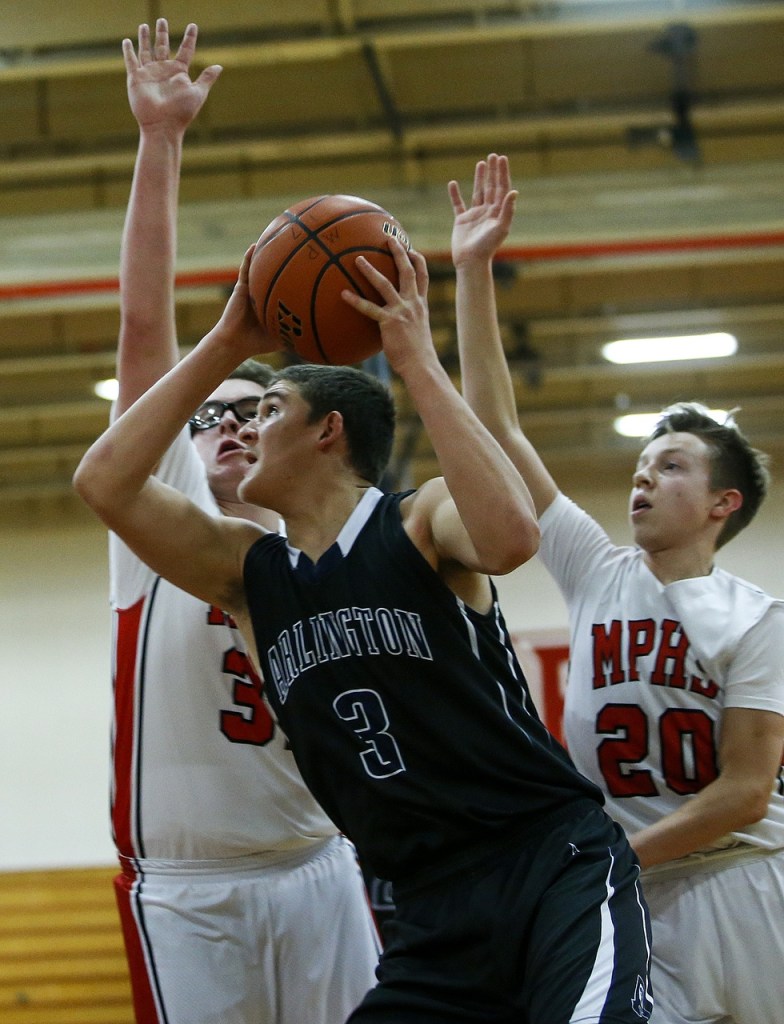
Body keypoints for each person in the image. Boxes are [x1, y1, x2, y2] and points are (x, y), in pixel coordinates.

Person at [74, 179, 655, 1022]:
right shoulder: (251, 574)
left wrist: (416, 357)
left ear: (328, 432)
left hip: (548, 865)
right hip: (425, 911)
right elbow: (103, 480)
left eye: (267, 408)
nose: (243, 429)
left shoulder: (418, 523)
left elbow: (511, 538)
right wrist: (230, 336)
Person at [451, 152, 784, 1024]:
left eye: (669, 466)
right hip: (633, 895)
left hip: (747, 880)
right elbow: (495, 427)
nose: (642, 480)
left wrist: (620, 853)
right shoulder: (596, 571)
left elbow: (747, 791)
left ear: (723, 502)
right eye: (639, 467)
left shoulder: (759, 620)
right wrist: (474, 270)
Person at [106, 19, 380, 1024]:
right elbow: (145, 338)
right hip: (189, 886)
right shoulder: (152, 523)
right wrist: (161, 142)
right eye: (213, 413)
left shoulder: (328, 543)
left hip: (320, 865)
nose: (230, 425)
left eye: (257, 412)